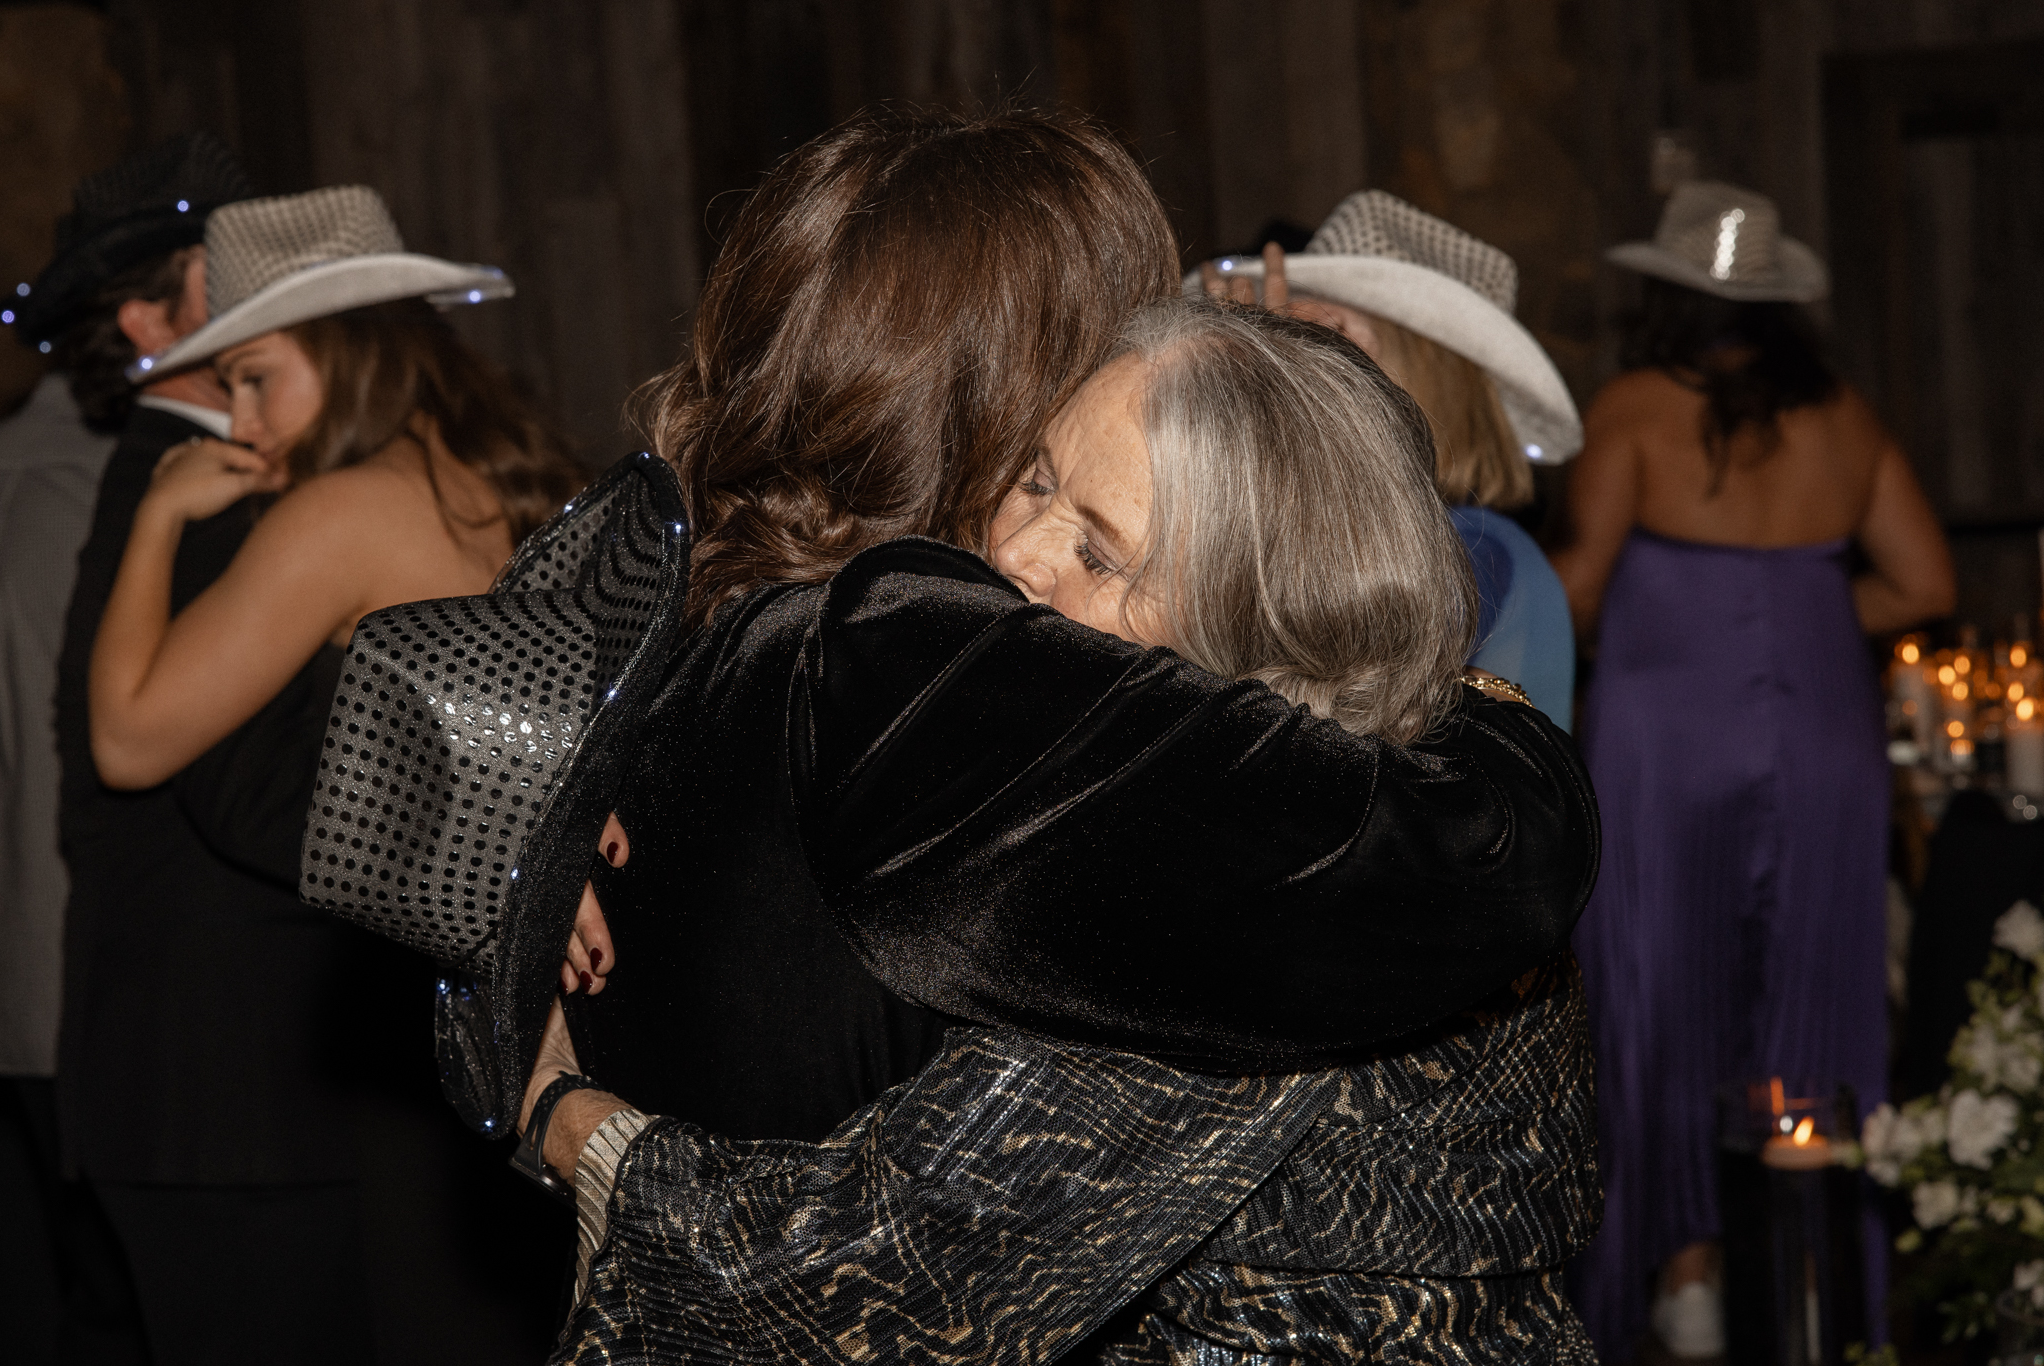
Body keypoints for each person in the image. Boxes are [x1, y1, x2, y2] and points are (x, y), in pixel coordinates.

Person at [324, 110, 1597, 1359]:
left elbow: (868, 1273)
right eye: (1035, 477)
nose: (1027, 553)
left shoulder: (1184, 836)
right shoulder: (956, 719)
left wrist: (551, 1098)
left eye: (1101, 546)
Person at [63, 181, 579, 1366]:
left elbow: (127, 739)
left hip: (418, 1017)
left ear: (340, 350)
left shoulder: (343, 508)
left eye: (254, 378)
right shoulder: (503, 473)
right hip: (533, 1003)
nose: (241, 424)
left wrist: (157, 516)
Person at [1550, 180, 1955, 1362]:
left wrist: (1658, 624)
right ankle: (1810, 1283)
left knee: (1657, 988)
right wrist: (1794, 620)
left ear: (1663, 298)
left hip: (1664, 735)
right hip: (1821, 734)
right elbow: (1924, 583)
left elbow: (1577, 589)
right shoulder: (1842, 414)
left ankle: (1680, 1274)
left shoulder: (1631, 407)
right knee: (1810, 983)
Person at [0, 131, 252, 1364]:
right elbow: (110, 760)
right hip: (106, 1012)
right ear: (151, 313)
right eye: (227, 274)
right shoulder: (95, 490)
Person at [1195, 189, 1582, 729]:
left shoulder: (1477, 547)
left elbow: (1327, 658)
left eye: (1334, 335)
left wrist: (1263, 433)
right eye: (1294, 340)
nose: (1303, 370)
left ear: (1433, 374)